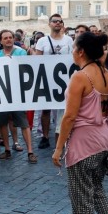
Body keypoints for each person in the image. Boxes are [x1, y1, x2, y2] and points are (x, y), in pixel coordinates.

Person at [52, 32, 108, 214]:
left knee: (81, 193)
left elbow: (70, 116)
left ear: (81, 51)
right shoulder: (103, 73)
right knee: (97, 189)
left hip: (84, 142)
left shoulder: (81, 77)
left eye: (74, 47)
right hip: (101, 138)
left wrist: (58, 148)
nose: (72, 51)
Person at [0, 30, 37, 163]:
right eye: (5, 38)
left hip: (17, 93)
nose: (8, 40)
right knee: (2, 123)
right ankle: (7, 150)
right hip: (3, 93)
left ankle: (30, 151)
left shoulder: (21, 52)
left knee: (24, 123)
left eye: (10, 37)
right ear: (0, 41)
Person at [34, 14, 74, 149]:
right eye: (54, 21)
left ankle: (62, 134)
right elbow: (37, 60)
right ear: (49, 24)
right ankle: (45, 136)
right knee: (45, 109)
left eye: (60, 21)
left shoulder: (69, 40)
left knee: (64, 109)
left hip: (64, 79)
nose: (57, 23)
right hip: (47, 78)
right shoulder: (42, 41)